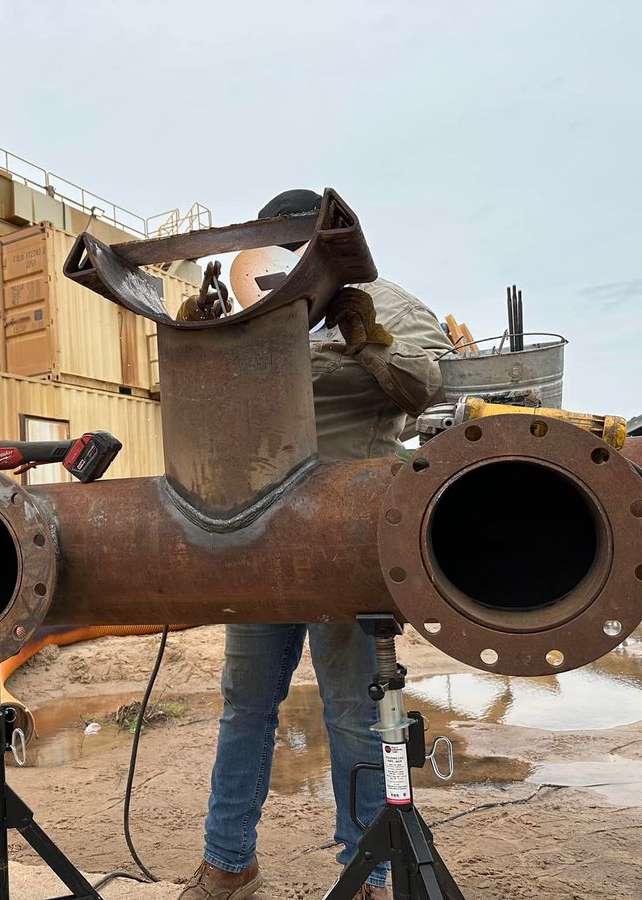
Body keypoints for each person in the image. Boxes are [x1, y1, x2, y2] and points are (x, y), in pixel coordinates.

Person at [177, 189, 452, 900]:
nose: (284, 263)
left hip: (347, 529)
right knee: (245, 704)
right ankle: (228, 861)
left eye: (295, 247)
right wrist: (196, 344)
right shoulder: (253, 302)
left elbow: (424, 389)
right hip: (263, 527)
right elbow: (211, 411)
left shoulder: (387, 304)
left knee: (353, 713)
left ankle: (366, 873)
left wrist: (368, 342)